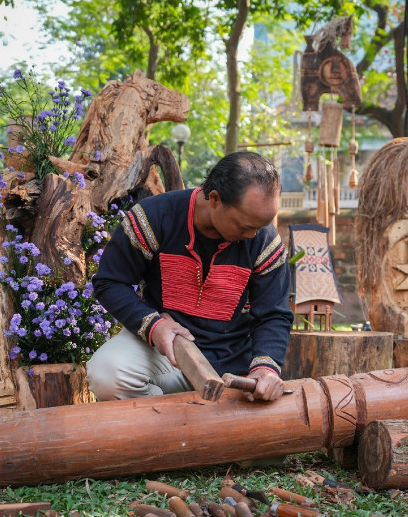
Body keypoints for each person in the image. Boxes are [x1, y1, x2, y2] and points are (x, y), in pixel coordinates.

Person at [87, 151, 293, 402]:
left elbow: (274, 314)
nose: (252, 236)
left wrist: (265, 369)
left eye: (260, 227)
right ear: (215, 199)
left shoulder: (264, 242)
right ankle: (170, 426)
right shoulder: (154, 217)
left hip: (230, 363)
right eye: (245, 226)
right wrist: (154, 325)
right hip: (161, 351)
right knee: (106, 374)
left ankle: (180, 424)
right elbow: (110, 282)